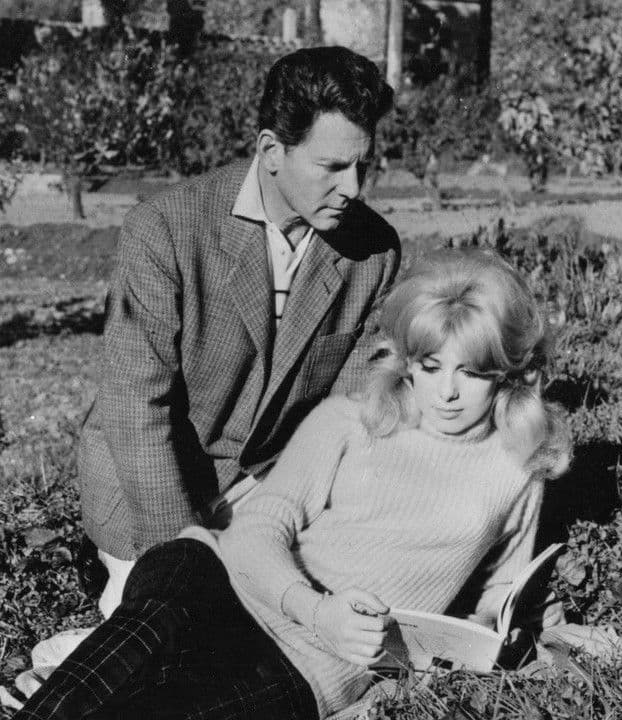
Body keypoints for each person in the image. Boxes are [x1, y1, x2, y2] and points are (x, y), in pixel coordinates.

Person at [15, 249, 572, 720]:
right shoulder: (350, 420)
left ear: (505, 372)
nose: (447, 393)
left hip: (310, 666)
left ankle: (87, 678)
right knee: (153, 623)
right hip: (225, 583)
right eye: (430, 367)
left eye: (470, 373)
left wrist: (477, 638)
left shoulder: (517, 467)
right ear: (408, 362)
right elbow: (255, 532)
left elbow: (498, 597)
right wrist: (317, 611)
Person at [77, 45, 400, 618]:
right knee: (172, 625)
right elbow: (135, 410)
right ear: (271, 151)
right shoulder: (164, 230)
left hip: (268, 491)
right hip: (149, 487)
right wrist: (180, 554)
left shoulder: (373, 252)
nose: (352, 187)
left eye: (362, 166)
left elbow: (345, 419)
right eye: (331, 167)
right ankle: (74, 655)